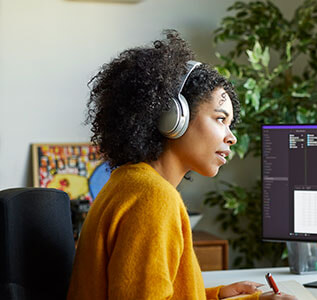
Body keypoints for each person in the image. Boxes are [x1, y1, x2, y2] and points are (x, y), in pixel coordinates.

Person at [67, 31, 295, 300]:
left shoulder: (129, 182)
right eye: (220, 119)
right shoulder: (153, 198)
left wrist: (217, 295)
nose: (231, 137)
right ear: (173, 117)